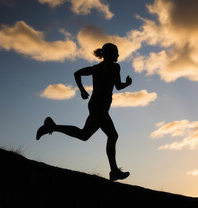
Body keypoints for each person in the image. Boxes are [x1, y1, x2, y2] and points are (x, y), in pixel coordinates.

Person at [37, 43, 132, 181]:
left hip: (94, 105)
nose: (118, 55)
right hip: (100, 107)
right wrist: (128, 83)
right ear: (110, 54)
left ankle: (52, 127)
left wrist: (82, 90)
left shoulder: (96, 68)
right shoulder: (115, 66)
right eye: (116, 52)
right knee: (113, 135)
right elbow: (118, 86)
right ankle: (114, 171)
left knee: (84, 135)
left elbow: (77, 73)